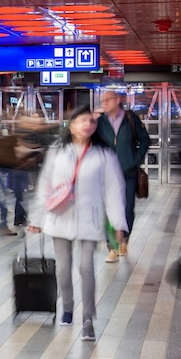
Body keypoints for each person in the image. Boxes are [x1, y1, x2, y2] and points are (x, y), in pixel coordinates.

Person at [29, 106, 128, 341]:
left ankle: (88, 319)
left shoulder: (104, 154)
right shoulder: (58, 150)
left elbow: (114, 190)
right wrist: (37, 218)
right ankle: (68, 308)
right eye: (82, 120)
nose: (88, 125)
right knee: (63, 269)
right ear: (71, 125)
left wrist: (118, 224)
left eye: (91, 121)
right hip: (60, 217)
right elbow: (44, 184)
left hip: (89, 219)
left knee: (86, 268)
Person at [94, 90, 150, 262]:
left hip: (128, 172)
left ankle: (124, 238)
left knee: (127, 208)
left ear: (117, 100)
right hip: (106, 174)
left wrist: (136, 159)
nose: (105, 103)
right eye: (102, 101)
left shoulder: (130, 118)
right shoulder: (100, 122)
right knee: (107, 210)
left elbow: (145, 140)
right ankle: (112, 247)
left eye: (108, 100)